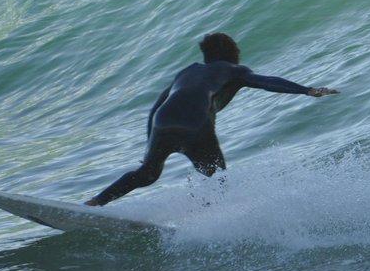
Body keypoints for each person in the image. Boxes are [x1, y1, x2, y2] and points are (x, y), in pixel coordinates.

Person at [85, 32, 338, 206]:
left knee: (147, 174)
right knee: (217, 179)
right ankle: (206, 222)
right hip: (195, 122)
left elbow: (157, 105)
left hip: (162, 121)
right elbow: (266, 82)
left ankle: (96, 202)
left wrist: (150, 142)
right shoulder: (234, 70)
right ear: (234, 53)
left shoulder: (188, 71)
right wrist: (306, 90)